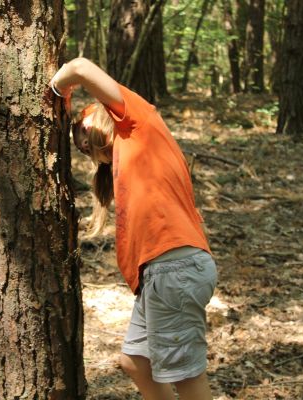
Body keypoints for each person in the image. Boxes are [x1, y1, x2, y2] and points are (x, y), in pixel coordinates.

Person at [50, 58, 217, 400]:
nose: (84, 145)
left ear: (101, 115)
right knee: (135, 362)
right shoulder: (125, 156)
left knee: (187, 379)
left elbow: (79, 67)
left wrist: (55, 92)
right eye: (81, 147)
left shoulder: (137, 121)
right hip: (160, 275)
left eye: (82, 131)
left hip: (175, 268)